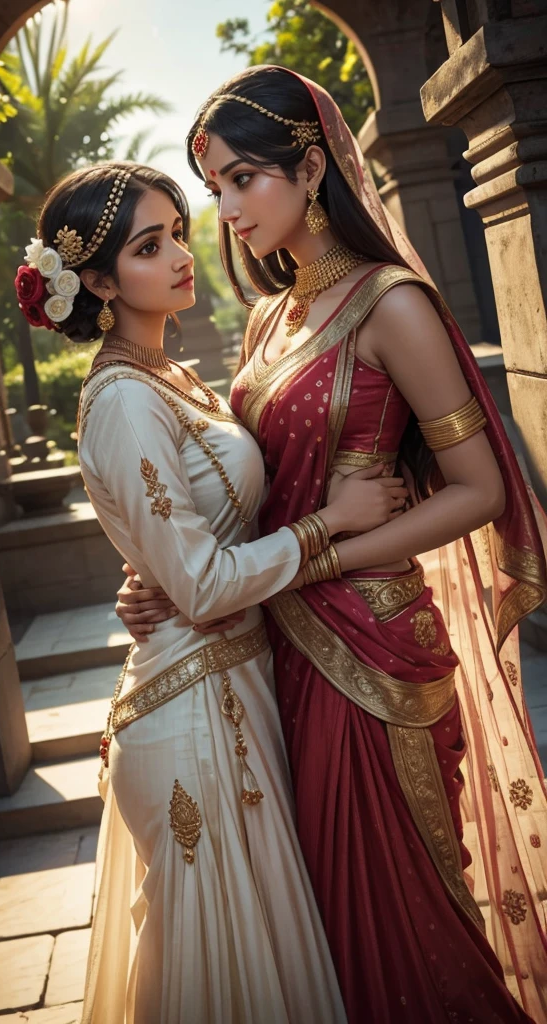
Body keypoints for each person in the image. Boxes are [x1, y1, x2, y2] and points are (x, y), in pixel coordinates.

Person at [117, 67, 547, 1023]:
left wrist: (329, 553)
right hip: (281, 649)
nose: (224, 210)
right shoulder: (270, 318)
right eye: (213, 187)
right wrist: (163, 577)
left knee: (402, 924)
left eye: (242, 180)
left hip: (373, 654)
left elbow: (478, 490)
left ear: (311, 167)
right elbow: (247, 492)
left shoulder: (391, 303)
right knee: (323, 936)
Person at [16, 159, 421, 1023]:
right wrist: (336, 524)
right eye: (149, 246)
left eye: (177, 231)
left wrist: (158, 573)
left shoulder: (170, 375)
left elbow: (189, 554)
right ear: (94, 281)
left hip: (231, 689)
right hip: (193, 718)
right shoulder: (124, 399)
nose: (181, 254)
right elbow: (199, 585)